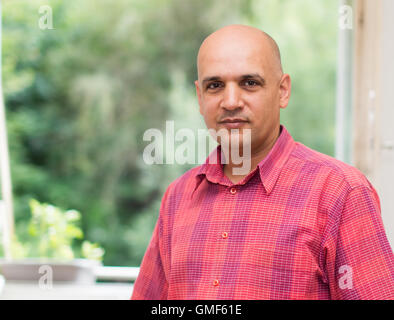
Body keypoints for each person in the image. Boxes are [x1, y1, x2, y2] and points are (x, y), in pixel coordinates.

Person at [131, 25, 394, 300]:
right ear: (200, 97)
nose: (231, 102)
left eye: (249, 83)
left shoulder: (339, 191)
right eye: (215, 86)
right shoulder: (178, 197)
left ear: (282, 91)